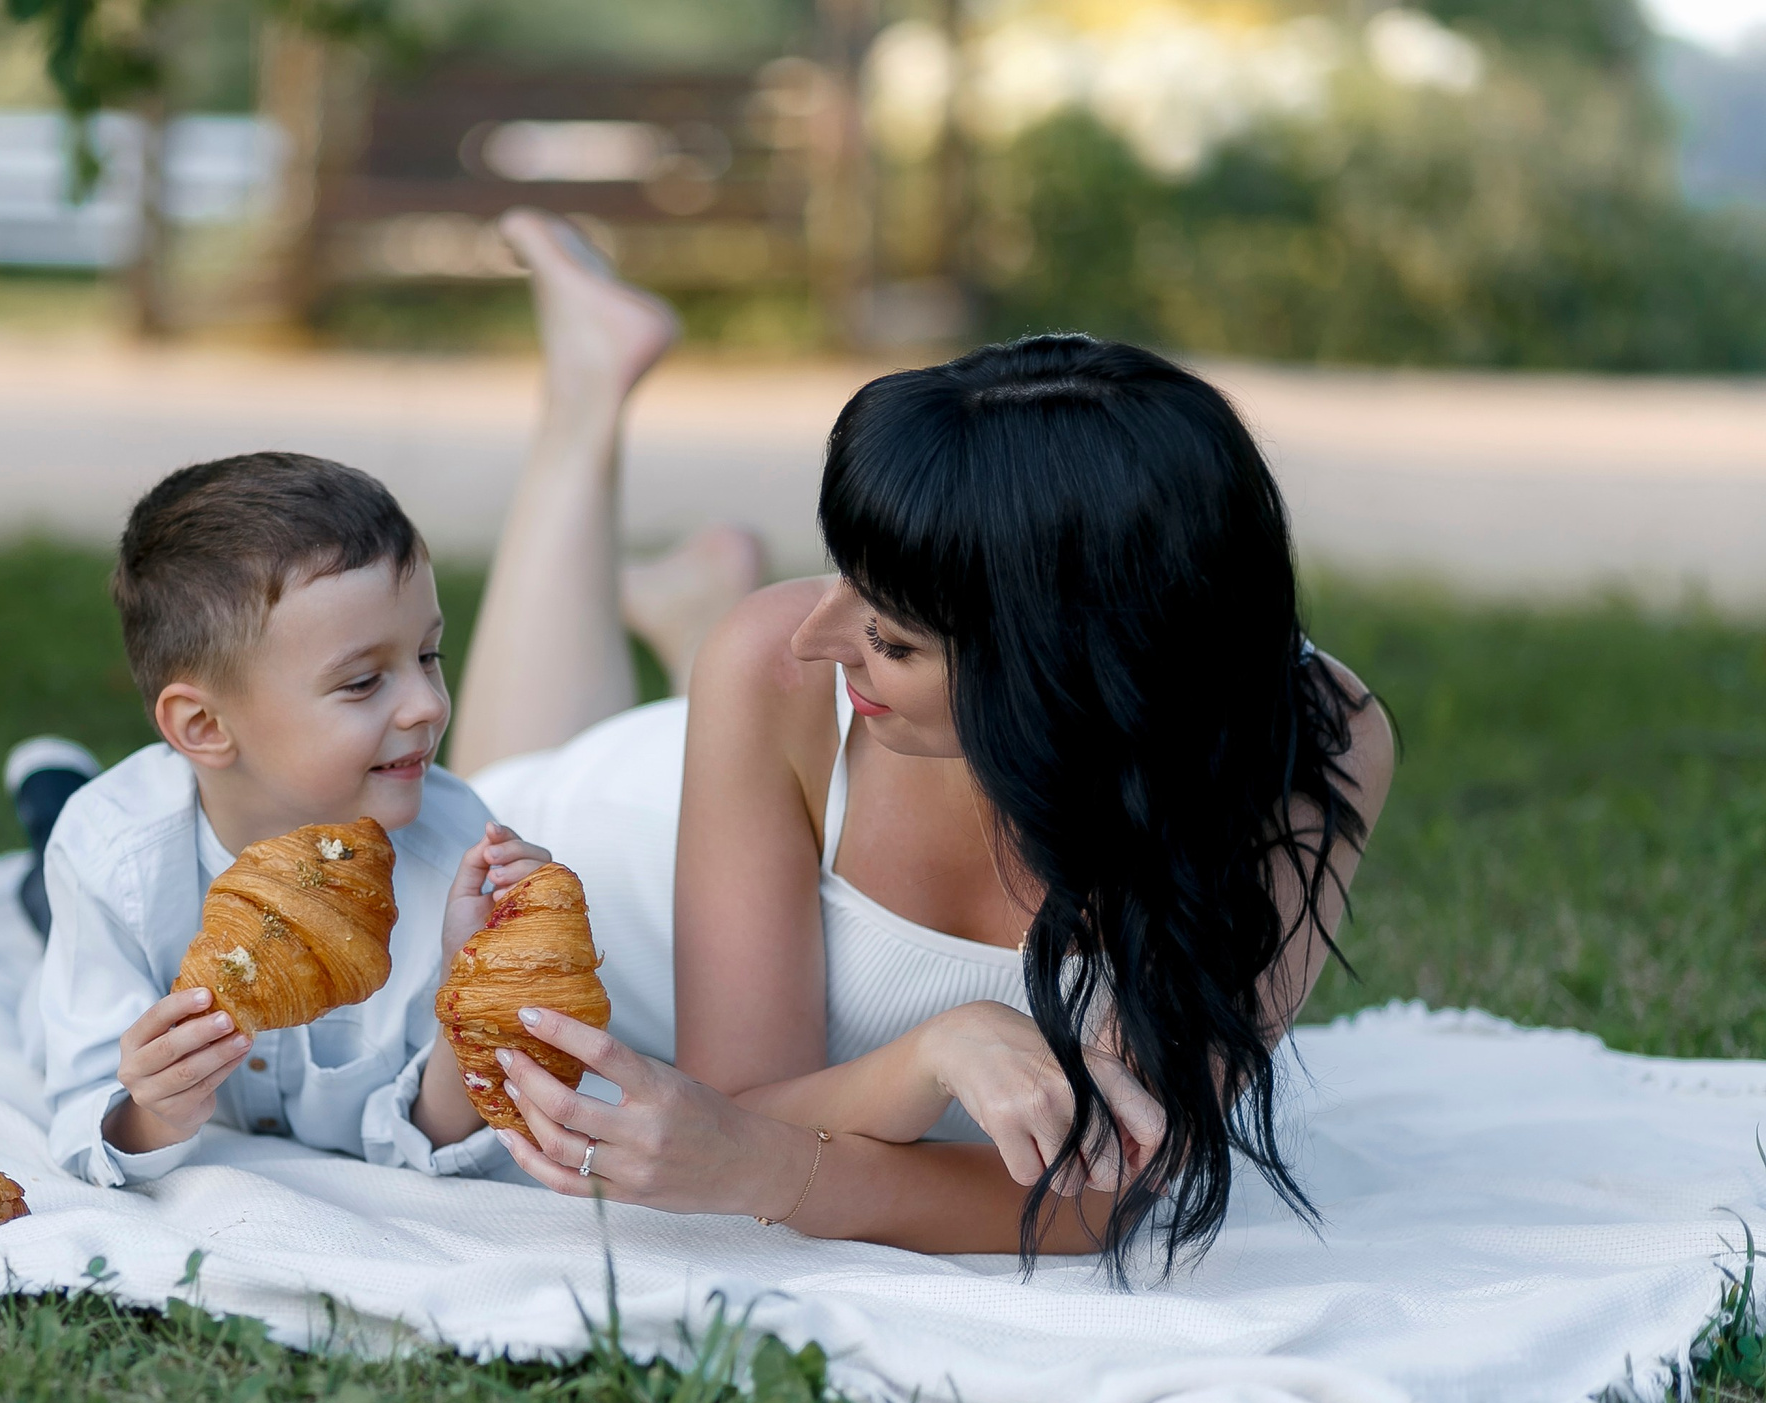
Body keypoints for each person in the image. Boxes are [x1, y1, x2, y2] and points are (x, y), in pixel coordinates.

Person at [453, 216, 1396, 1270]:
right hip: (618, 824)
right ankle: (584, 398)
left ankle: (682, 606)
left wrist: (780, 1159)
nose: (821, 632)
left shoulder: (1307, 747)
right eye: (839, 580)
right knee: (490, 780)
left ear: (1063, 674)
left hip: (801, 765)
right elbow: (731, 1116)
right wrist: (930, 1055)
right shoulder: (789, 659)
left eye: (891, 634)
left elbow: (1109, 1192)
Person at [25, 452, 555, 1186]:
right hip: (90, 874)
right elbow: (84, 1103)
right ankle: (46, 790)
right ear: (205, 726)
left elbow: (443, 1138)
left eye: (429, 655)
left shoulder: (462, 864)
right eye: (365, 681)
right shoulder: (114, 853)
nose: (429, 705)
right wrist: (152, 1111)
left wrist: (473, 998)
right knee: (39, 893)